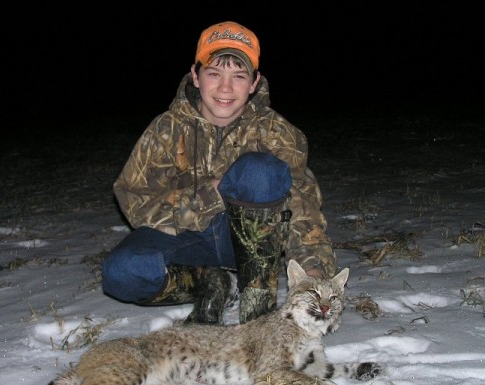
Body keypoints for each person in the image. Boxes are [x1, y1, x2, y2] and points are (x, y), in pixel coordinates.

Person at [102, 21, 336, 324]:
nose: (225, 88)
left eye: (239, 76)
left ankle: (257, 315)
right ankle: (213, 284)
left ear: (254, 83)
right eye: (214, 73)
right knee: (122, 273)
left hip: (247, 243)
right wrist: (209, 197)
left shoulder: (277, 132)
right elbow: (135, 201)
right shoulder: (165, 129)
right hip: (184, 238)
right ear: (196, 76)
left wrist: (313, 270)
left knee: (259, 171)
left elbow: (301, 206)